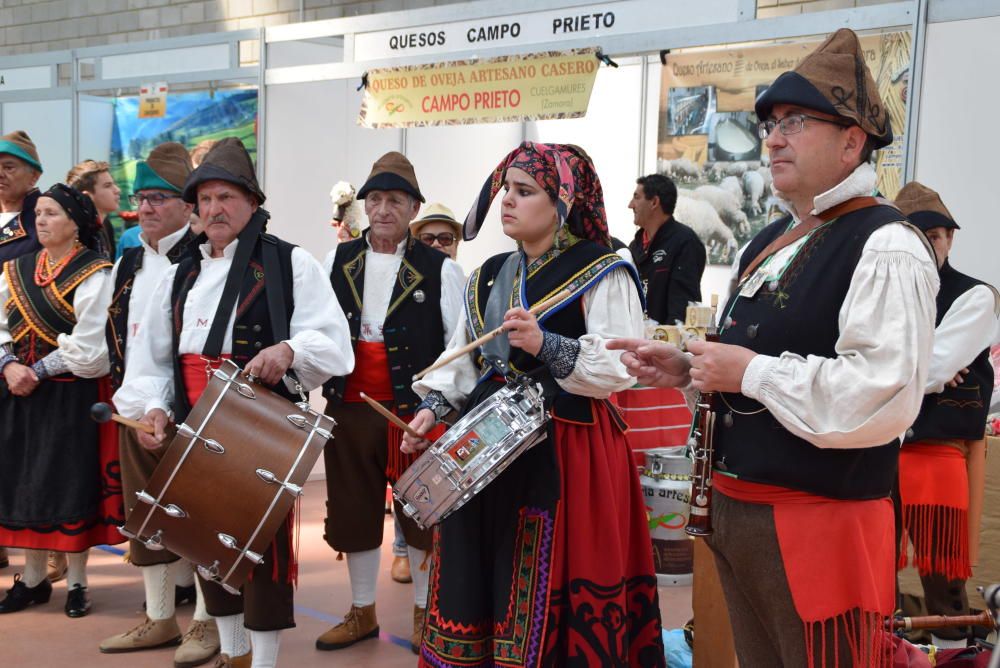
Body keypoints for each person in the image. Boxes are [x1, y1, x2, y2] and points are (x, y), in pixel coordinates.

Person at [609, 28, 939, 667]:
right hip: (741, 514)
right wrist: (690, 369)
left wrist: (752, 371)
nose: (774, 137)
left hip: (820, 525)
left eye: (796, 122)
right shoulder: (771, 240)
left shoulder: (888, 243)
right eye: (769, 124)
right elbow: (751, 359)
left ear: (852, 141)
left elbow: (882, 397)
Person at [402, 141, 665, 666]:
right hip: (484, 449)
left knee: (552, 579)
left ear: (562, 204)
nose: (508, 202)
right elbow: (461, 364)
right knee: (480, 571)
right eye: (507, 190)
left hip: (569, 450)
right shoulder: (488, 276)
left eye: (525, 191)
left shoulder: (603, 270)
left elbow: (620, 366)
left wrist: (549, 345)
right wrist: (435, 408)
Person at [113, 137, 353, 668]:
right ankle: (235, 655)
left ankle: (263, 662)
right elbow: (153, 361)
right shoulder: (182, 274)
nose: (215, 209)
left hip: (258, 431)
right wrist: (154, 407)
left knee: (260, 559)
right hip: (194, 431)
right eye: (205, 199)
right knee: (206, 547)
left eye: (226, 197)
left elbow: (334, 342)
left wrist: (289, 350)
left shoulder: (290, 263)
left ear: (251, 202)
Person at [316, 152, 465, 654]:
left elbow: (455, 345)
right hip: (350, 408)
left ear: (413, 207)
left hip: (413, 413)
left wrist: (437, 407)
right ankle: (361, 611)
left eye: (394, 200)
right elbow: (316, 332)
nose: (383, 210)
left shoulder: (441, 270)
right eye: (375, 199)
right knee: (354, 511)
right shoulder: (336, 261)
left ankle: (425, 614)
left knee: (420, 515)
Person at [97, 142, 221, 666]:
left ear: (187, 206)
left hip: (188, 413)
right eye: (141, 198)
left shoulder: (203, 262)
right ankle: (160, 616)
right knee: (146, 514)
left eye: (158, 198)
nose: (144, 207)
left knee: (199, 517)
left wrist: (165, 406)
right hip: (133, 409)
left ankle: (208, 621)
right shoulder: (128, 261)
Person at [0, 183, 123, 618]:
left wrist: (38, 371)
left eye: (52, 213)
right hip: (18, 394)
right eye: (39, 214)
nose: (41, 220)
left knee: (69, 483)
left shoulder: (95, 273)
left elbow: (91, 348)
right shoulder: (16, 269)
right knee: (25, 482)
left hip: (70, 395)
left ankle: (76, 584)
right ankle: (31, 580)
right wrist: (9, 365)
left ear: (75, 223)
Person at [893, 181, 999, 646]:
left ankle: (956, 651)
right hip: (878, 455)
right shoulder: (882, 295)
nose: (928, 245)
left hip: (936, 458)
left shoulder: (975, 296)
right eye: (918, 236)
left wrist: (912, 364)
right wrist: (927, 366)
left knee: (944, 585)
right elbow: (929, 368)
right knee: (877, 580)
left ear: (950, 240)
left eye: (936, 235)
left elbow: (932, 366)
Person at [0, 130, 45, 573]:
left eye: (9, 166)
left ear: (33, 175)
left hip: (25, 354)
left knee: (22, 461)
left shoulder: (42, 218)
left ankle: (39, 563)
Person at [628, 173, 705, 324]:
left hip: (665, 343)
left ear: (654, 202)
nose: (630, 205)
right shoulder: (634, 246)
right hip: (636, 340)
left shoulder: (685, 242)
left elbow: (681, 311)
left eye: (637, 197)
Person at [67, 159, 121, 259]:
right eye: (107, 186)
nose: (117, 190)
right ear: (87, 196)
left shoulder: (106, 224)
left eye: (114, 184)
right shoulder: (77, 232)